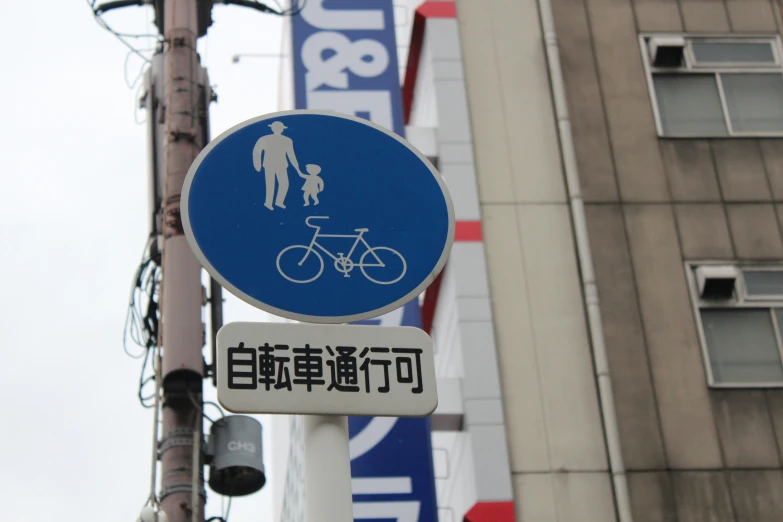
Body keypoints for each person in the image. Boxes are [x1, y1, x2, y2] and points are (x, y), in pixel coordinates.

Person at [252, 121, 302, 210]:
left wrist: (296, 167)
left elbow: (291, 155)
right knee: (270, 184)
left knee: (284, 183)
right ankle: (268, 203)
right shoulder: (264, 139)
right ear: (272, 128)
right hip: (269, 165)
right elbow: (257, 151)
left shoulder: (287, 140)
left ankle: (279, 202)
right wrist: (257, 165)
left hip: (282, 165)